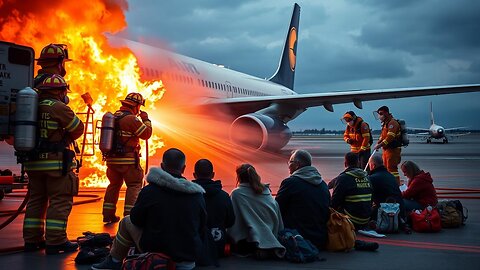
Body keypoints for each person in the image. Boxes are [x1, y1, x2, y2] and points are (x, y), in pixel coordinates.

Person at [92, 148, 208, 270]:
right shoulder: (197, 195)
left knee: (126, 222)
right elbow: (201, 226)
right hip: (188, 259)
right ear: (183, 169)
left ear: (162, 166)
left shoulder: (149, 191)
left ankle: (114, 261)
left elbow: (136, 220)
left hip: (157, 257)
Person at [23, 74, 84, 254]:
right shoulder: (58, 107)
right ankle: (55, 241)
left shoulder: (31, 105)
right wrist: (64, 138)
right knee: (60, 200)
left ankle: (31, 240)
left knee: (36, 200)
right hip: (55, 164)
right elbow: (78, 128)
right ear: (59, 91)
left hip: (33, 164)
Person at [102, 92, 152, 223]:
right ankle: (130, 218)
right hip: (128, 161)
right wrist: (146, 120)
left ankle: (108, 215)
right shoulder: (131, 119)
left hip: (111, 160)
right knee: (134, 185)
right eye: (139, 107)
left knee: (113, 185)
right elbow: (146, 134)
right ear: (135, 106)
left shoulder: (113, 116)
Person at [227, 164, 285, 259]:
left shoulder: (237, 194)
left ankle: (257, 247)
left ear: (238, 177)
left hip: (248, 242)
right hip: (272, 236)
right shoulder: (266, 192)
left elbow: (233, 221)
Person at [276, 149, 330, 250]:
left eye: (290, 162)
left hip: (298, 239)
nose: (288, 165)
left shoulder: (290, 183)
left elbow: (276, 208)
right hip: (320, 239)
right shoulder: (323, 184)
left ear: (297, 164)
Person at [192, 159, 235, 257]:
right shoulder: (224, 196)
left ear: (194, 175)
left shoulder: (187, 195)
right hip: (218, 247)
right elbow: (231, 222)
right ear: (213, 175)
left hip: (194, 249)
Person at [331, 152, 372, 230]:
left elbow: (335, 202)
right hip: (366, 218)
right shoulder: (367, 177)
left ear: (345, 163)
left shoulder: (344, 178)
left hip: (352, 219)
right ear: (358, 163)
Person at [368, 154, 405, 221]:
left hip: (386, 212)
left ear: (373, 165)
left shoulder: (372, 178)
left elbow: (369, 199)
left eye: (369, 164)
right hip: (399, 211)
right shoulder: (391, 176)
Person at [373, 106, 402, 185]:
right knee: (386, 168)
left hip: (393, 150)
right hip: (387, 150)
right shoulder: (385, 124)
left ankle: (396, 185)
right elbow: (383, 136)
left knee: (392, 169)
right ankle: (389, 184)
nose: (379, 116)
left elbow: (390, 137)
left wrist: (380, 145)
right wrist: (378, 143)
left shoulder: (392, 123)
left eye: (381, 114)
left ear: (386, 113)